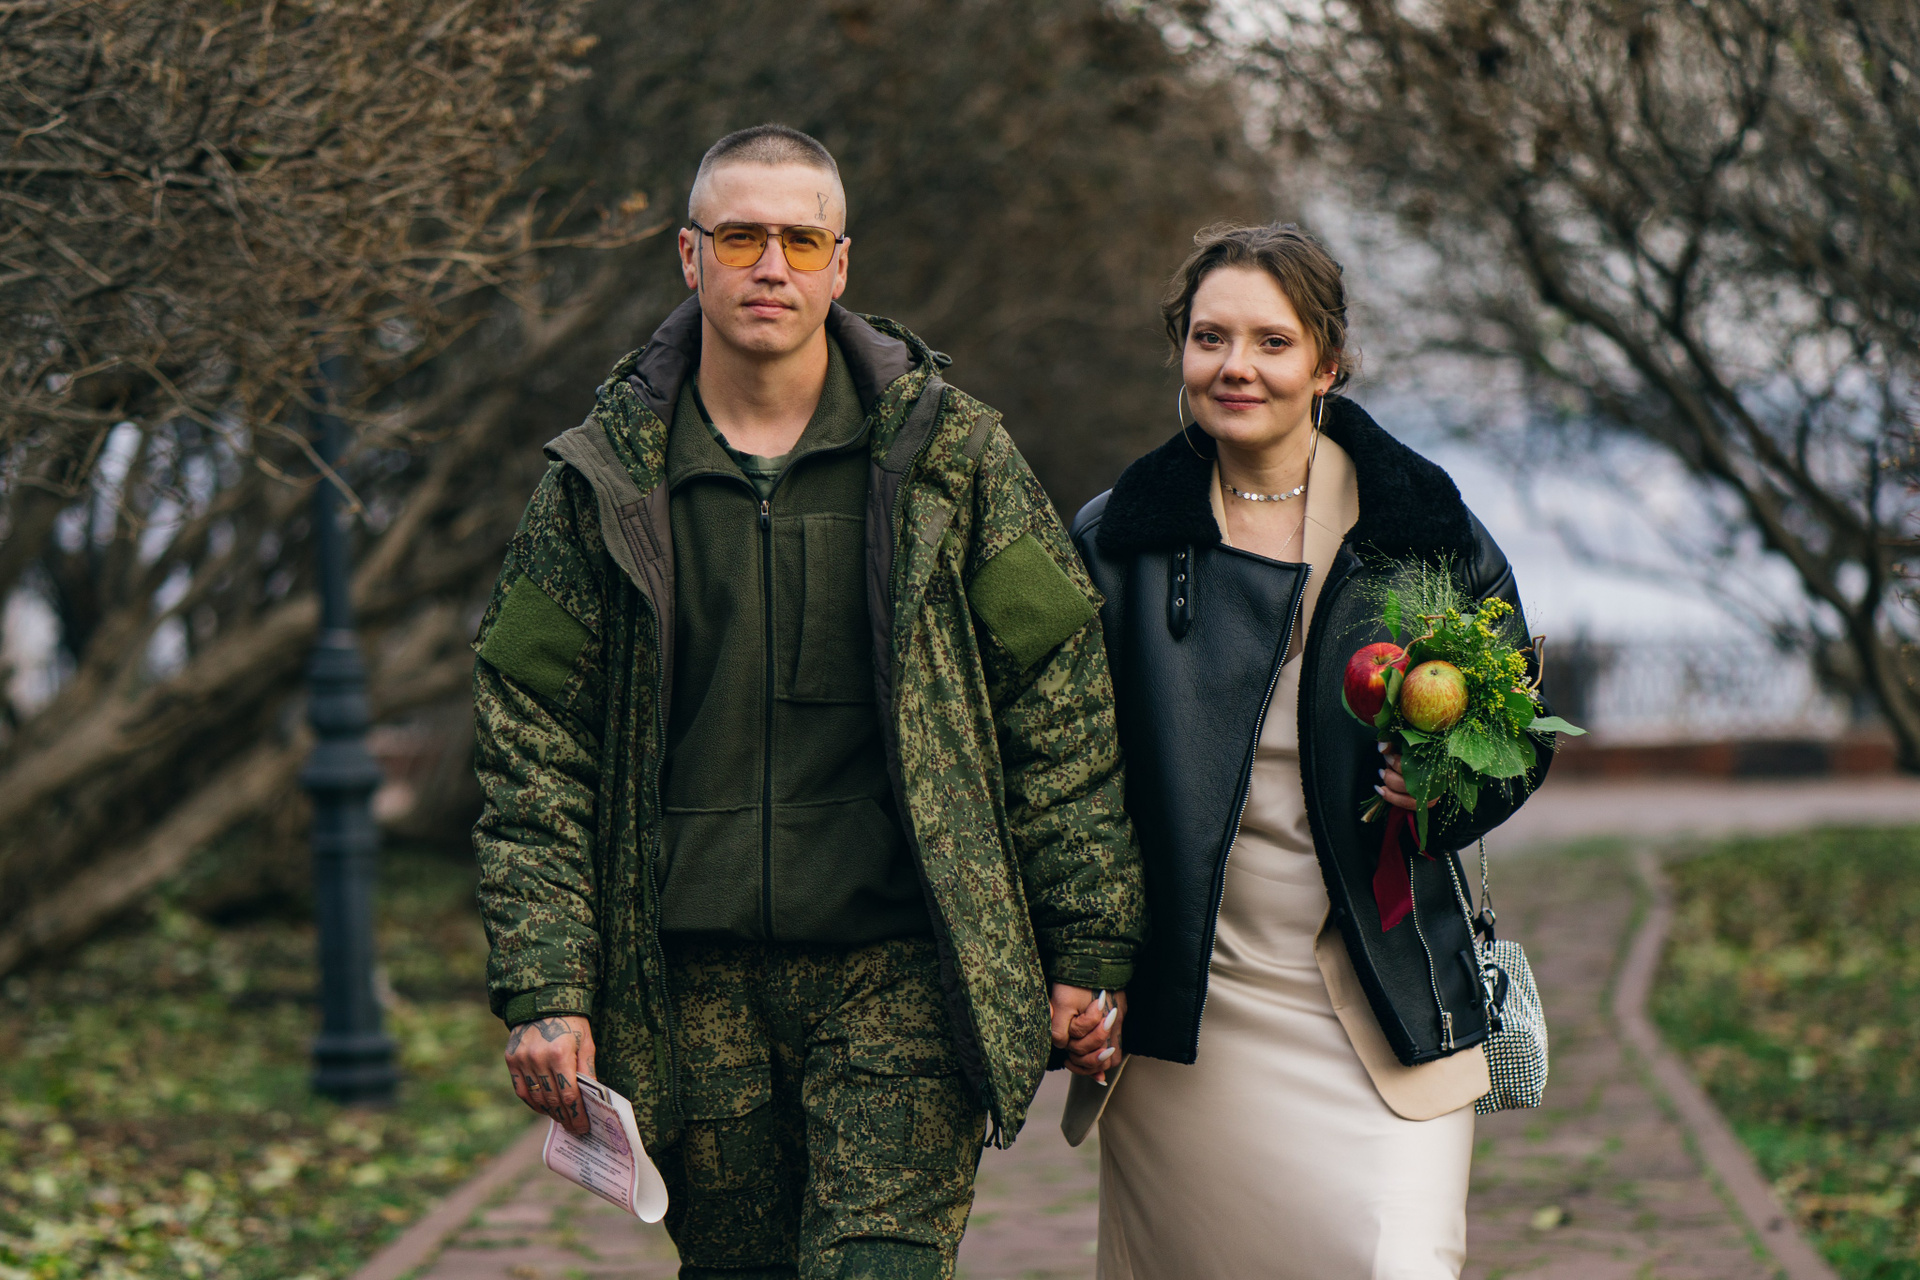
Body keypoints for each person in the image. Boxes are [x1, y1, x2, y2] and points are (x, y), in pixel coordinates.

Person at [471, 123, 1144, 1279]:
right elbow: (531, 741)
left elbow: (1059, 698)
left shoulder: (952, 461)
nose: (771, 265)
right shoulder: (601, 482)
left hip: (904, 969)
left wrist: (1087, 938)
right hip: (688, 986)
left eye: (800, 239)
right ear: (690, 256)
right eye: (741, 236)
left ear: (841, 263)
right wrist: (546, 984)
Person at [1069, 222, 1551, 1278]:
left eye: (1272, 341)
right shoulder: (1119, 539)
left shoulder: (1420, 527)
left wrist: (1445, 786)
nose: (1235, 366)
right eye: (1210, 338)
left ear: (1328, 362)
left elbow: (1518, 728)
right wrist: (1082, 969)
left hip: (1387, 990)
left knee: (1398, 1258)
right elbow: (1063, 776)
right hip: (1196, 1009)